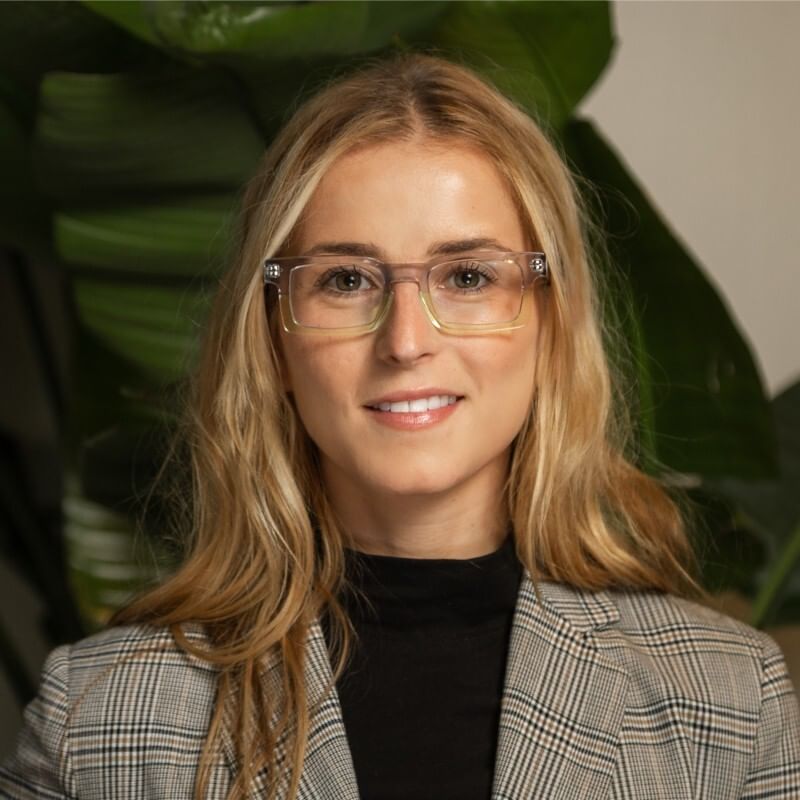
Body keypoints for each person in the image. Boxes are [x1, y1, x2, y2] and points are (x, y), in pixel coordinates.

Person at [2, 52, 798, 800]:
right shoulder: (98, 722)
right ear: (273, 335)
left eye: (468, 276)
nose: (408, 341)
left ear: (550, 324)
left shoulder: (728, 703)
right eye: (347, 280)